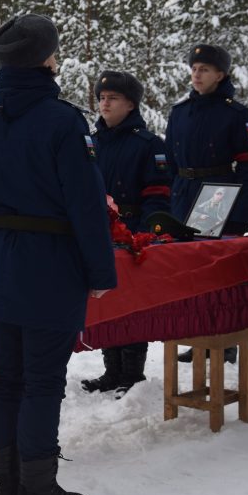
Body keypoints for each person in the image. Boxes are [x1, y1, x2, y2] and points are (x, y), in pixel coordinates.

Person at [0, 14, 116, 495]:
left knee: (5, 378)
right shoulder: (63, 121)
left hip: (5, 260)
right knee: (43, 380)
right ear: (47, 59)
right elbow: (86, 204)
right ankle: (38, 487)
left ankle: (8, 484)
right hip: (52, 261)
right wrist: (100, 270)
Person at [166, 44, 248, 363]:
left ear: (220, 75)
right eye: (194, 68)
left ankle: (224, 336)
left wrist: (239, 215)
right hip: (182, 192)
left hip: (217, 193)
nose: (197, 74)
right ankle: (199, 332)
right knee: (188, 269)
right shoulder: (178, 112)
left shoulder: (236, 114)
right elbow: (169, 162)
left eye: (204, 69)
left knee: (214, 270)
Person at [80, 70, 172, 397]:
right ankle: (111, 371)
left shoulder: (149, 145)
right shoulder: (90, 142)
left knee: (131, 303)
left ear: (130, 104)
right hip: (98, 233)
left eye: (113, 98)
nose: (105, 103)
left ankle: (132, 373)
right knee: (106, 302)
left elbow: (158, 193)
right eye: (102, 98)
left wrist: (146, 234)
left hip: (133, 234)